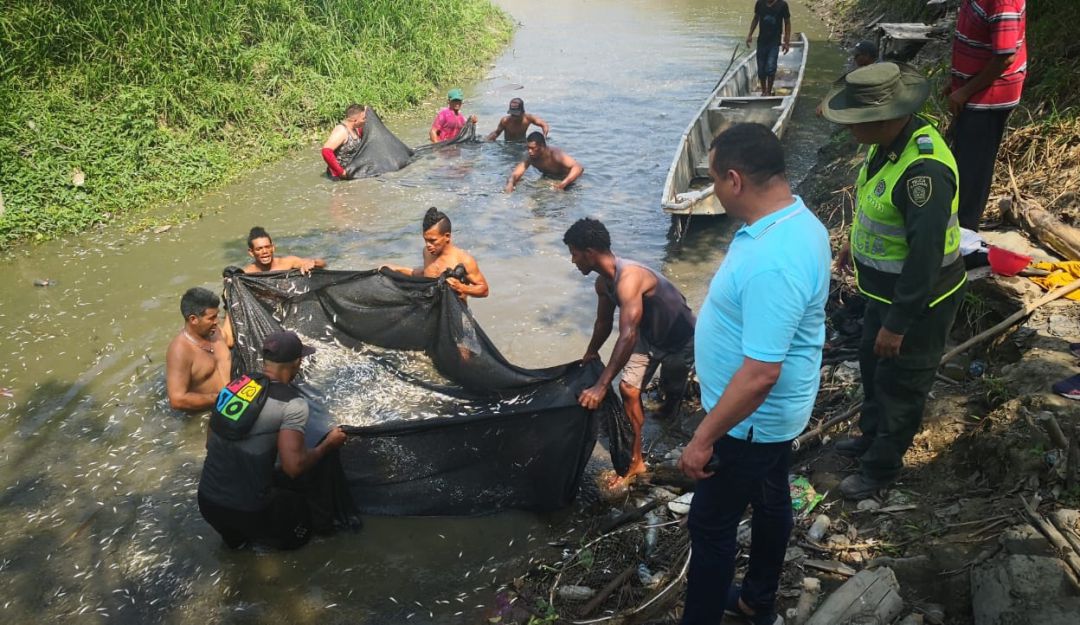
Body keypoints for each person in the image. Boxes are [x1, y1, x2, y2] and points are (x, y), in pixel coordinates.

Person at [676, 123, 830, 625]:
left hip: (750, 423)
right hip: (773, 419)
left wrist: (703, 438)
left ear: (735, 180)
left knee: (711, 523)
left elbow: (761, 373)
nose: (714, 189)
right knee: (770, 497)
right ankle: (757, 598)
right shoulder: (797, 221)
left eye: (715, 179)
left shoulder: (773, 261)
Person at [820, 63, 967, 499]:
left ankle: (880, 470)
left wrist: (899, 323)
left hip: (920, 303)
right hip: (881, 293)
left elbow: (923, 259)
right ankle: (870, 438)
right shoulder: (885, 147)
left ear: (883, 118)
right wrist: (853, 243)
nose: (848, 129)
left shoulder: (924, 172)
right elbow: (876, 203)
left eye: (854, 121)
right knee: (872, 365)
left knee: (902, 383)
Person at [565, 218, 695, 486]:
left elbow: (627, 333)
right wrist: (590, 352)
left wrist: (601, 386)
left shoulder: (630, 277)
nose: (573, 260)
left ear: (589, 253)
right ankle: (636, 461)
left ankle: (668, 415)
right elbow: (603, 323)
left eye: (574, 254)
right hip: (647, 337)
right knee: (628, 389)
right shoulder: (603, 284)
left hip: (681, 338)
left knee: (672, 392)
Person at [197, 331, 351, 549]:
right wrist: (328, 445)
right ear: (297, 363)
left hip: (207, 503)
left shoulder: (235, 385)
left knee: (237, 548)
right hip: (250, 511)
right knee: (302, 538)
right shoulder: (294, 404)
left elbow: (210, 442)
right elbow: (293, 467)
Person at [945, 0, 1027, 231]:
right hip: (973, 91)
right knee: (963, 161)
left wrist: (965, 91)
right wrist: (956, 82)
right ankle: (958, 225)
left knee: (973, 169)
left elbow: (1004, 57)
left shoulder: (1003, 3)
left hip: (990, 98)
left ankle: (965, 232)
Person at [382, 207, 489, 302]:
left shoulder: (464, 260)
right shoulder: (427, 252)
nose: (428, 245)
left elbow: (484, 290)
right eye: (425, 240)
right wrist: (396, 269)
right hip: (430, 310)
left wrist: (462, 288)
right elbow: (426, 273)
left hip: (455, 315)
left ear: (447, 236)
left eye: (432, 240)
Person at [166, 287, 232, 413]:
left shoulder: (215, 332)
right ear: (193, 319)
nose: (217, 321)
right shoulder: (180, 351)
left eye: (217, 316)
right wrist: (221, 398)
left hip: (233, 403)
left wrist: (232, 303)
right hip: (208, 414)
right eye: (211, 318)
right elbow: (177, 400)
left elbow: (230, 340)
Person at [505, 132, 583, 192]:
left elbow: (578, 167)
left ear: (542, 146)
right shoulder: (530, 157)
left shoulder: (554, 154)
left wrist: (563, 184)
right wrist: (511, 183)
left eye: (533, 148)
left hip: (568, 180)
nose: (529, 151)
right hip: (548, 178)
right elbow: (517, 172)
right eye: (528, 148)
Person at [745, 0, 792, 97]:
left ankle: (769, 92)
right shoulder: (760, 3)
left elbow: (787, 22)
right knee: (761, 70)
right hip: (761, 41)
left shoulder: (782, 5)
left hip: (774, 42)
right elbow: (755, 19)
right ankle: (764, 91)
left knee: (770, 68)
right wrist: (750, 35)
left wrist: (786, 42)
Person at [243, 227, 326, 275]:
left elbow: (323, 264)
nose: (265, 251)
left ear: (273, 248)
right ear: (251, 252)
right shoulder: (246, 274)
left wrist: (313, 263)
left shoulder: (288, 263)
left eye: (267, 247)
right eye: (259, 249)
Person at [321, 104, 367, 180]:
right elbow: (326, 151)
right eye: (363, 118)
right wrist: (341, 172)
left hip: (351, 172)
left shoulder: (355, 129)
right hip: (338, 176)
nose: (365, 120)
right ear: (355, 120)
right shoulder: (341, 131)